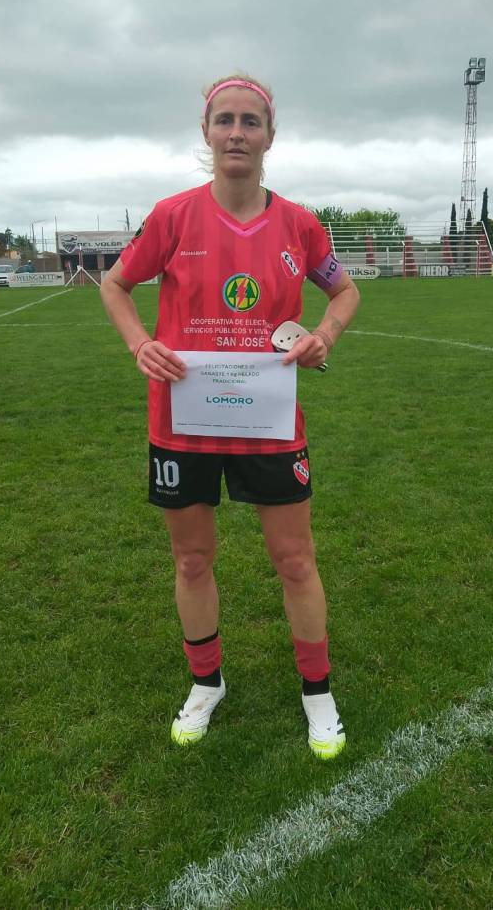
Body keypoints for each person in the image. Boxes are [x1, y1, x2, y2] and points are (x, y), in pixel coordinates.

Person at [100, 73, 359, 759]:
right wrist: (139, 343)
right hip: (182, 420)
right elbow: (116, 283)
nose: (237, 133)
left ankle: (317, 691)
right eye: (225, 121)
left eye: (250, 121)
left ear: (270, 136)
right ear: (207, 132)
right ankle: (206, 681)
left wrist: (324, 337)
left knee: (295, 558)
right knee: (191, 559)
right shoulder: (171, 216)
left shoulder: (298, 223)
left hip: (269, 421)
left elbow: (345, 290)